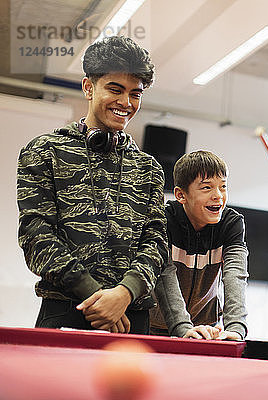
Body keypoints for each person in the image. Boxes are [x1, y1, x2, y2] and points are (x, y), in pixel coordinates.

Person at [17, 36, 168, 334]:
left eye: (135, 94)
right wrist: (96, 297)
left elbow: (157, 244)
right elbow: (37, 237)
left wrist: (124, 294)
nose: (126, 103)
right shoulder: (44, 150)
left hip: (131, 317)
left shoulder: (148, 167)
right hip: (66, 310)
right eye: (115, 89)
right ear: (88, 87)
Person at [150, 150, 249, 340]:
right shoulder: (162, 220)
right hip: (153, 326)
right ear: (181, 195)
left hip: (205, 329)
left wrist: (236, 328)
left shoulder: (232, 224)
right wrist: (182, 327)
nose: (218, 196)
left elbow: (235, 276)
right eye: (206, 188)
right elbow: (165, 275)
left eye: (223, 187)